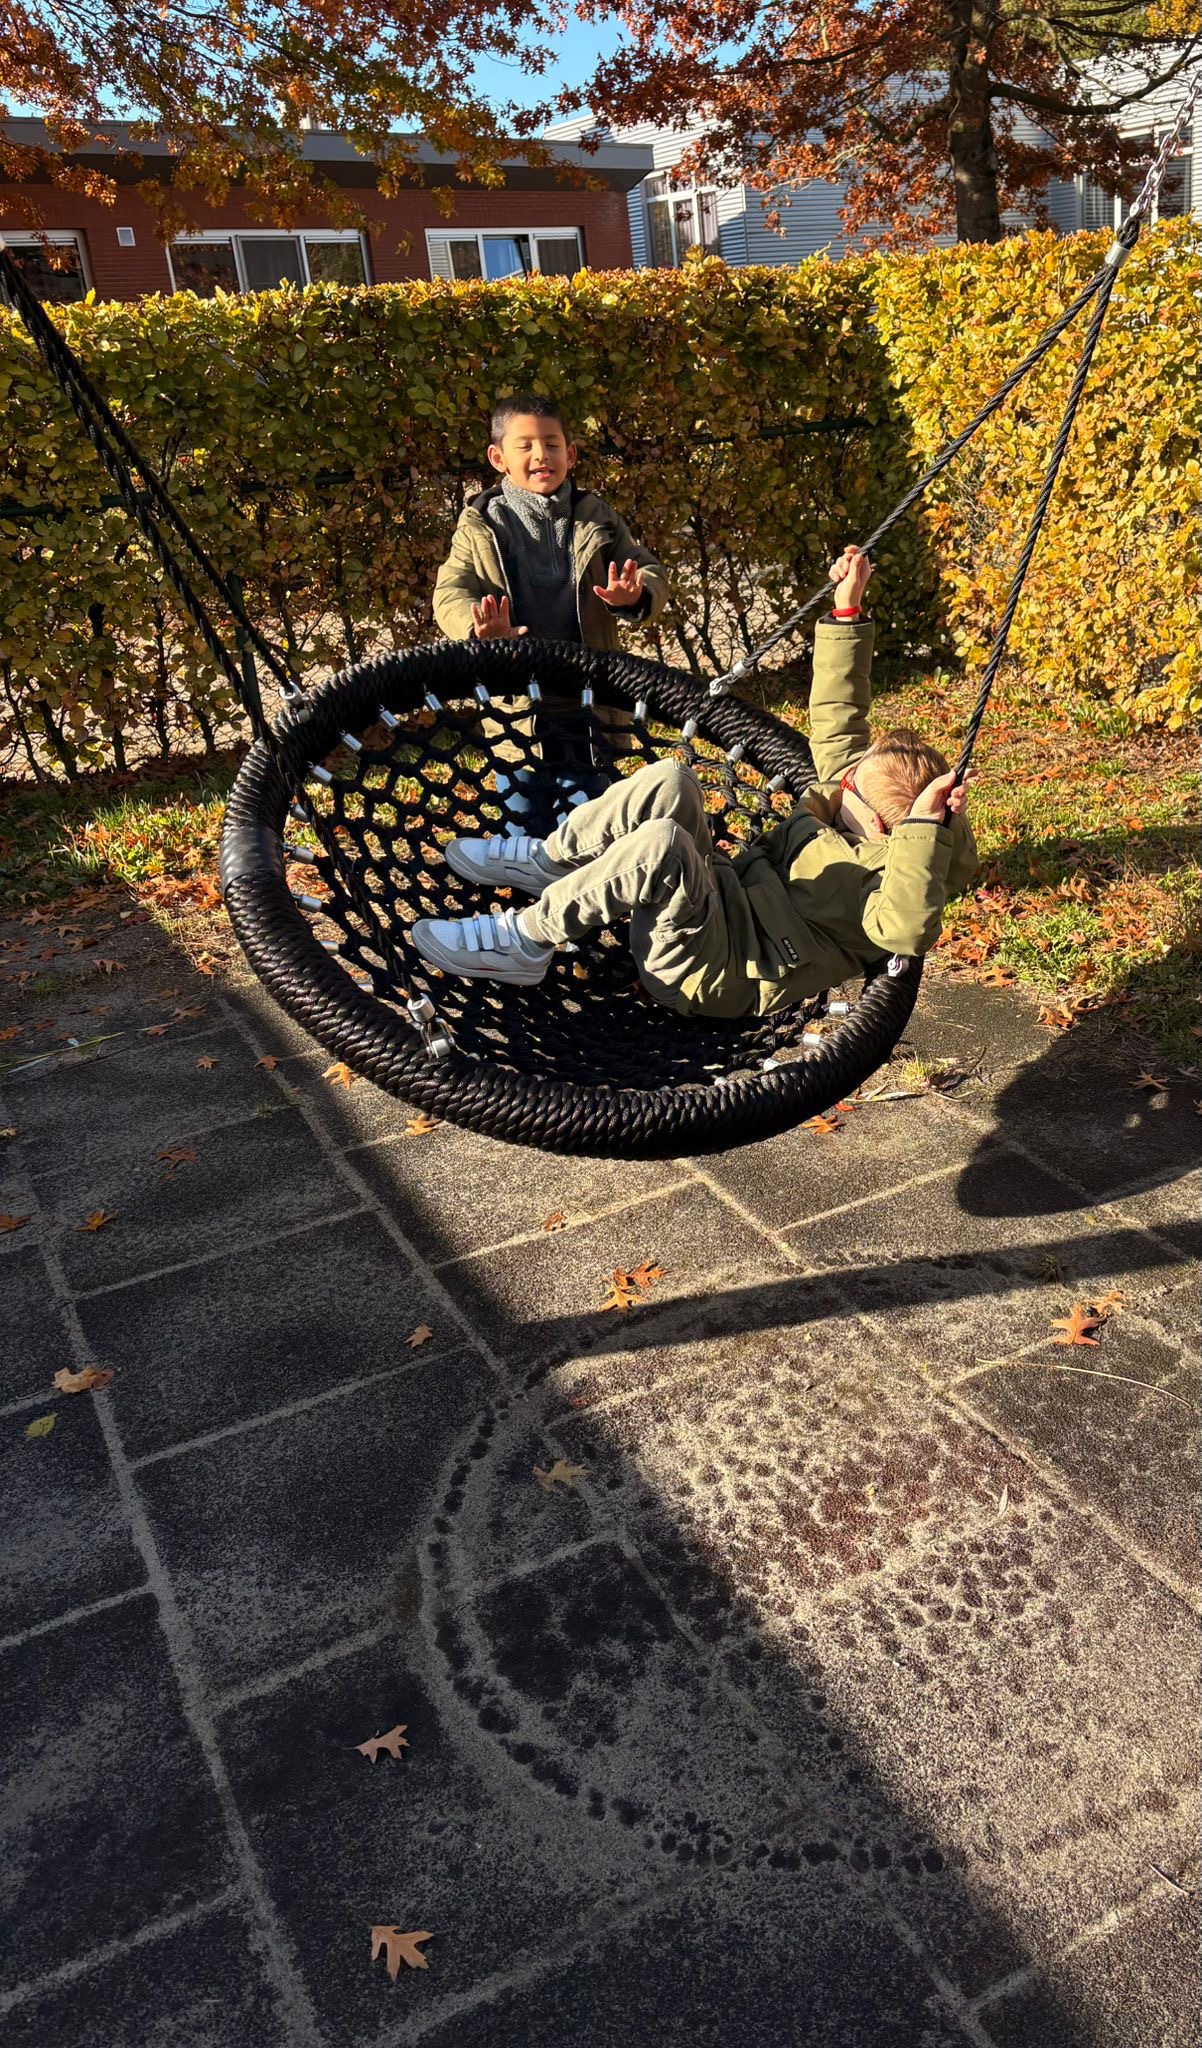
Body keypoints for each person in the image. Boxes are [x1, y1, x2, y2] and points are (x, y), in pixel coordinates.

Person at [413, 545, 978, 1019]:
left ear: (879, 825)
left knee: (664, 846)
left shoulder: (884, 887)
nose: (841, 772)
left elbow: (908, 928)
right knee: (671, 780)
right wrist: (847, 612)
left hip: (713, 969)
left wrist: (927, 831)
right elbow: (840, 712)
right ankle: (553, 861)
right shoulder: (848, 796)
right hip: (714, 904)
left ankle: (528, 940)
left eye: (850, 777)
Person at [433, 392, 669, 827]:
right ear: (498, 458)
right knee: (523, 825)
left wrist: (634, 595)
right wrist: (477, 626)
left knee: (588, 827)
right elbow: (448, 592)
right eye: (524, 445)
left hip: (593, 707)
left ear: (571, 453)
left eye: (552, 443)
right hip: (518, 714)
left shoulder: (596, 515)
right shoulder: (480, 525)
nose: (541, 455)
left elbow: (649, 569)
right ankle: (528, 894)